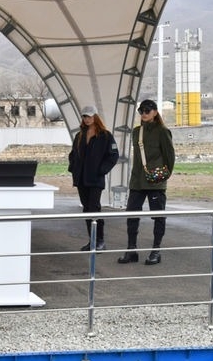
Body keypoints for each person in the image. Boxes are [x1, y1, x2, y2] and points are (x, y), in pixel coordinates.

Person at [118, 99, 175, 265]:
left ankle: (156, 251)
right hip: (137, 181)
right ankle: (131, 250)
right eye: (141, 110)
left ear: (155, 112)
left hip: (155, 182)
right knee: (131, 215)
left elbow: (170, 158)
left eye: (147, 110)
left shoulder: (163, 131)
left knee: (158, 217)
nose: (144, 113)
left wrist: (162, 176)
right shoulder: (136, 132)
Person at [68, 105, 119, 251]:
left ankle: (100, 241)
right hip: (81, 179)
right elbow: (73, 154)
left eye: (89, 116)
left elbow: (114, 155)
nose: (87, 119)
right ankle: (92, 240)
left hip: (95, 179)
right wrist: (74, 169)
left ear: (95, 116)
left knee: (94, 208)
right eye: (84, 116)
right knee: (86, 209)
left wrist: (101, 170)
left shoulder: (105, 135)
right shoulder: (79, 136)